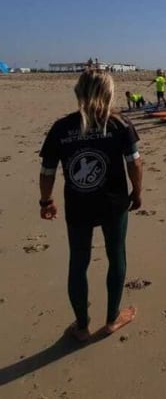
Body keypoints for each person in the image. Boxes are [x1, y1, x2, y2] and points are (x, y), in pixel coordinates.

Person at [39, 69, 141, 341]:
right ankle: (112, 319)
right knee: (116, 255)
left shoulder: (61, 128)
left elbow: (47, 171)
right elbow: (135, 163)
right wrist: (138, 192)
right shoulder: (120, 124)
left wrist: (46, 201)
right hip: (114, 204)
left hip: (78, 205)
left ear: (79, 92)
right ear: (110, 93)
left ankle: (82, 326)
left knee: (78, 260)